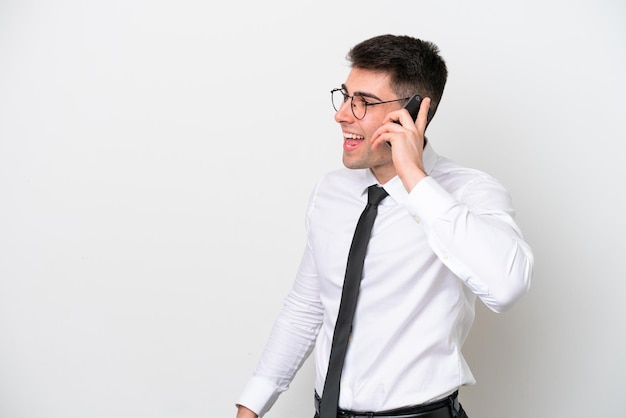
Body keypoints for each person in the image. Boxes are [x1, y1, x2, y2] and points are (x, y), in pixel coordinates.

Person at [235, 34, 533, 418]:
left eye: (364, 103)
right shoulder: (331, 191)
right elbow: (308, 306)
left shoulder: (468, 192)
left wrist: (413, 178)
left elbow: (507, 288)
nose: (342, 114)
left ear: (413, 112)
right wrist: (252, 406)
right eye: (345, 96)